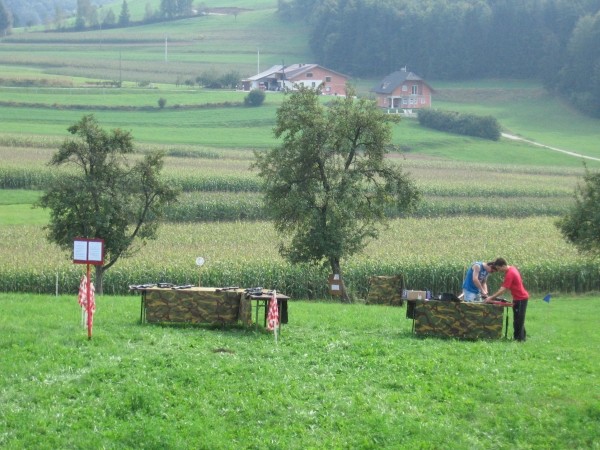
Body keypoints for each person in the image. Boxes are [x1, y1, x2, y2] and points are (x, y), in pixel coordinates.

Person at [486, 258, 529, 342]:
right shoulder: (512, 268)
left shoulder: (510, 273)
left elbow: (502, 290)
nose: (498, 271)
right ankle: (522, 338)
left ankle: (519, 340)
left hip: (520, 298)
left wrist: (490, 298)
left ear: (503, 266)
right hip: (518, 298)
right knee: (519, 319)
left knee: (518, 321)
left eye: (499, 268)